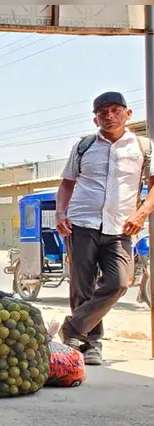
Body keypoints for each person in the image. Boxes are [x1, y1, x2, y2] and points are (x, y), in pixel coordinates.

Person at [56, 91, 154, 365]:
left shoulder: (144, 148)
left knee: (119, 282)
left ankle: (72, 328)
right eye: (102, 113)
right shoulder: (84, 146)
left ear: (128, 114)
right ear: (95, 118)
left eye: (115, 110)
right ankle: (90, 346)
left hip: (121, 226)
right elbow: (66, 184)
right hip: (82, 223)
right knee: (81, 286)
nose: (109, 116)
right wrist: (61, 213)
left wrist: (142, 212)